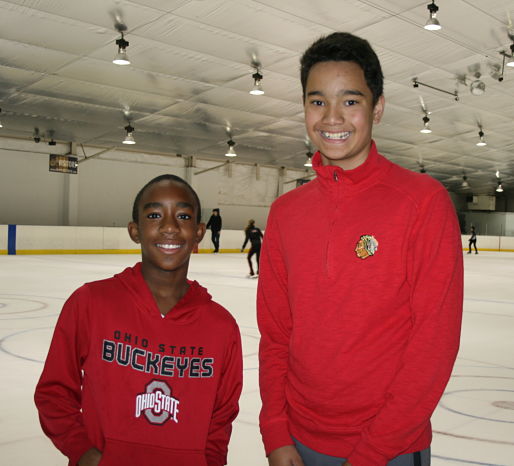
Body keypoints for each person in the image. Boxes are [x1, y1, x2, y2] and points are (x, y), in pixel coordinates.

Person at [257, 32, 463, 466]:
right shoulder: (285, 212)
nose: (332, 117)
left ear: (378, 107)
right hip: (298, 441)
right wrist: (275, 430)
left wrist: (373, 452)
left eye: (350, 101)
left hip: (387, 447)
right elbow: (277, 334)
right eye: (317, 102)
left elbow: (434, 344)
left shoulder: (422, 202)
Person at [34, 174, 243, 466]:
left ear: (199, 232)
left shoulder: (221, 327)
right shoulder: (91, 303)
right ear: (135, 230)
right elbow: (54, 392)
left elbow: (221, 418)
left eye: (183, 216)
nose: (169, 226)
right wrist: (83, 453)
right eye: (154, 215)